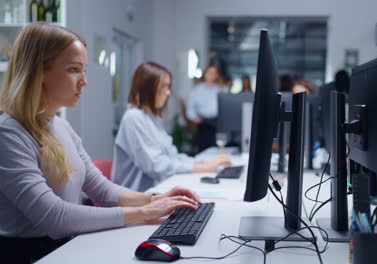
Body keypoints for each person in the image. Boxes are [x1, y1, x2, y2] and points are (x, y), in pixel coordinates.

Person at [0, 23, 200, 263]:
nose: (84, 81)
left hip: (64, 246)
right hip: (30, 255)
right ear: (38, 72)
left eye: (84, 70)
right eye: (74, 70)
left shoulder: (61, 126)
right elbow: (54, 218)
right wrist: (143, 213)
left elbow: (102, 190)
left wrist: (155, 199)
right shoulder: (9, 133)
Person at [112, 62, 231, 192]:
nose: (168, 93)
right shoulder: (134, 118)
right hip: (139, 199)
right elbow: (156, 166)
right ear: (148, 88)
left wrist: (202, 163)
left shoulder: (152, 118)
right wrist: (204, 167)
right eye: (164, 86)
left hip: (157, 192)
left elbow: (172, 156)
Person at [186, 65, 226, 152]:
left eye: (214, 73)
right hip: (203, 123)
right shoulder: (197, 89)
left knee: (218, 148)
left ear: (217, 75)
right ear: (205, 74)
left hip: (218, 123)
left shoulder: (222, 89)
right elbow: (190, 106)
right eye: (209, 73)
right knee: (203, 149)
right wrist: (193, 117)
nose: (211, 75)